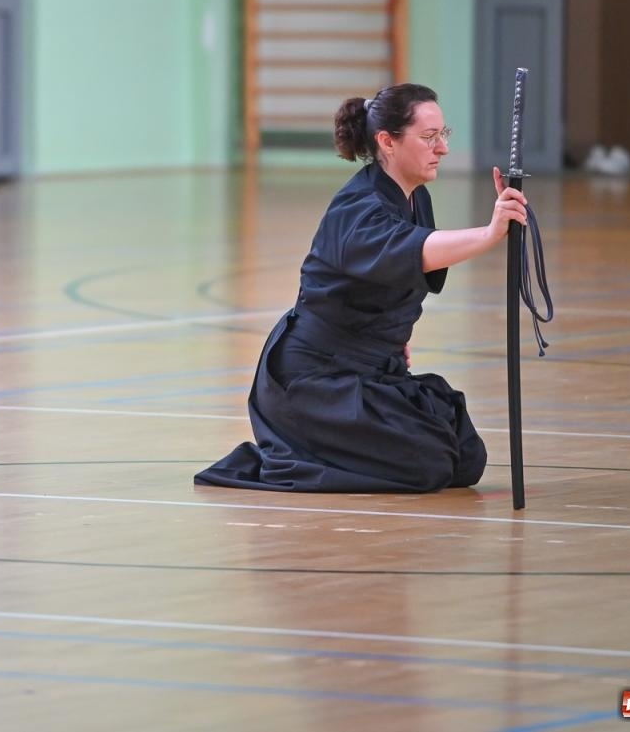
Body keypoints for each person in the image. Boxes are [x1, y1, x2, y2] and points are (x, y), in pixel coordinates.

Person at [195, 83, 530, 494]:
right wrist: (490, 232)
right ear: (387, 142)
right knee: (429, 464)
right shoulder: (358, 209)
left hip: (368, 367)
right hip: (311, 381)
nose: (441, 148)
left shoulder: (415, 198)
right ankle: (294, 452)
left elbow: (391, 281)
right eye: (428, 137)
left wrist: (388, 339)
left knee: (466, 456)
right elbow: (416, 252)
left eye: (444, 134)